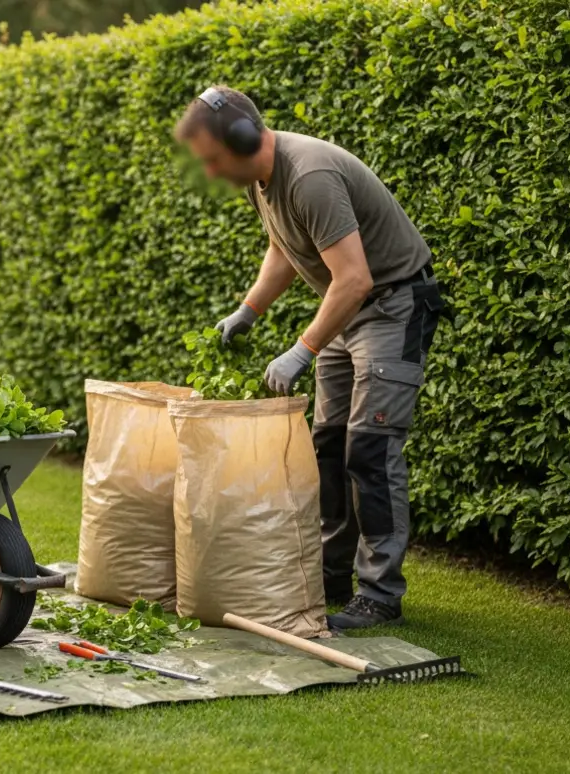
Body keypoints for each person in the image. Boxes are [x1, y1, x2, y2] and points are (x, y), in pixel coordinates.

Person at [175, 85, 444, 630]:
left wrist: (304, 348)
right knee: (326, 445)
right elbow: (284, 246)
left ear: (244, 138)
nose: (208, 171)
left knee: (370, 448)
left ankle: (380, 593)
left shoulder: (310, 175)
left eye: (212, 159)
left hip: (391, 304)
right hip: (348, 307)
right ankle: (332, 574)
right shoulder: (262, 179)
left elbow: (355, 277)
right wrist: (249, 310)